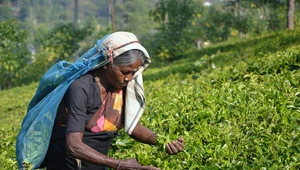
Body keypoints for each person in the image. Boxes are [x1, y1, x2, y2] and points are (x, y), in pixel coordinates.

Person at [43, 31, 184, 170]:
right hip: (67, 162)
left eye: (133, 72)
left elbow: (131, 125)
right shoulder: (81, 88)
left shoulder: (121, 86)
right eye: (124, 72)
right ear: (106, 64)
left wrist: (163, 141)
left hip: (98, 161)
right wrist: (120, 164)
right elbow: (73, 146)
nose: (129, 78)